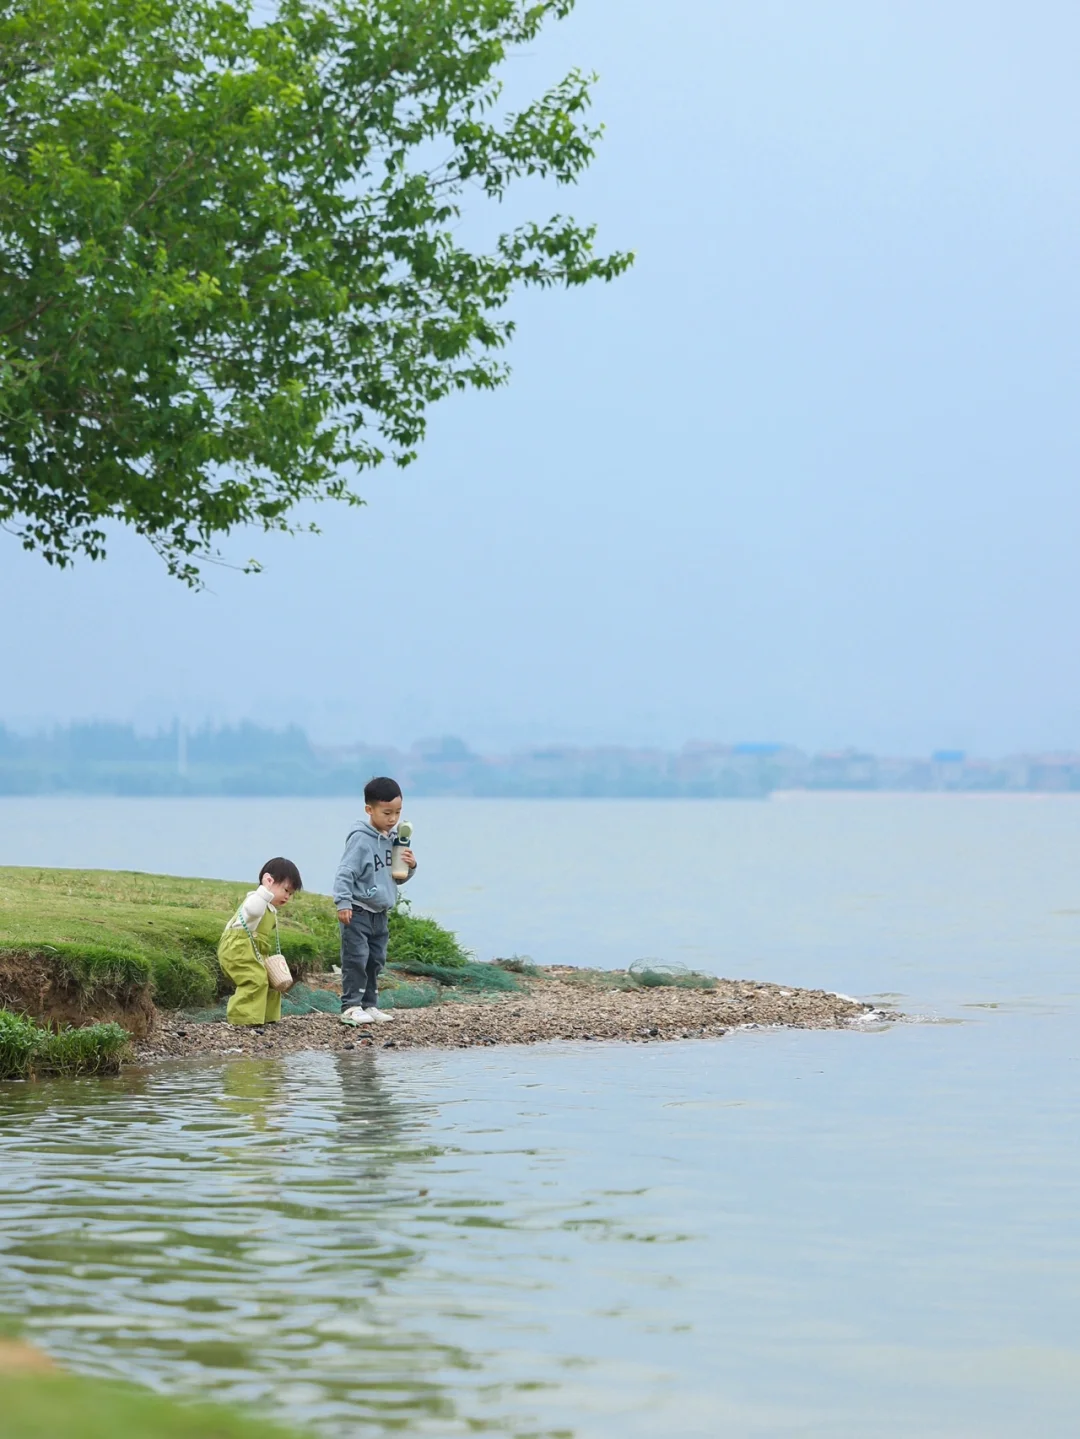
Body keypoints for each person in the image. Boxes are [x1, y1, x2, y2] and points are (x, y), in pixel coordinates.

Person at [333, 776, 417, 1026]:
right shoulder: (360, 838)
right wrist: (343, 902)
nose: (393, 819)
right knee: (356, 958)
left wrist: (411, 866)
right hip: (358, 910)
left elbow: (397, 878)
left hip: (380, 912)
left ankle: (370, 1004)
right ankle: (350, 1006)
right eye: (387, 812)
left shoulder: (394, 839)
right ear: (369, 809)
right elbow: (345, 872)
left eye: (398, 813)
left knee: (375, 960)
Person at [218, 857, 303, 1026]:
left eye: (291, 894)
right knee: (255, 978)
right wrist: (264, 890)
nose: (287, 896)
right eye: (285, 890)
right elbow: (252, 911)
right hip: (237, 948)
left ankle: (266, 1016)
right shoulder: (256, 899)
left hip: (253, 949)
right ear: (269, 880)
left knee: (272, 979)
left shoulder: (270, 909)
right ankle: (242, 1018)